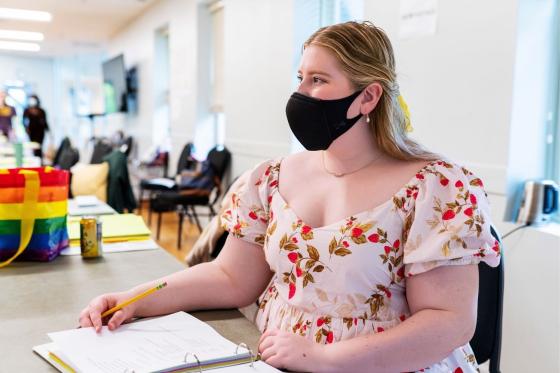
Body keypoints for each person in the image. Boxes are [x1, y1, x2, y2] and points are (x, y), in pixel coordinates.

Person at [79, 21, 500, 372]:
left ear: (368, 96)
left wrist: (324, 358)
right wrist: (135, 299)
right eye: (300, 78)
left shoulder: (436, 188)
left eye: (318, 80)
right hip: (274, 358)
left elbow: (449, 322)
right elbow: (230, 278)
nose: (301, 94)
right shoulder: (273, 177)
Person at [23, 94, 49, 158]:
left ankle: (40, 160)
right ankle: (35, 158)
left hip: (40, 132)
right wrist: (26, 129)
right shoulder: (27, 111)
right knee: (33, 147)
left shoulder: (42, 111)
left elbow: (45, 121)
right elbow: (24, 121)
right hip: (31, 132)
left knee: (39, 147)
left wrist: (48, 130)